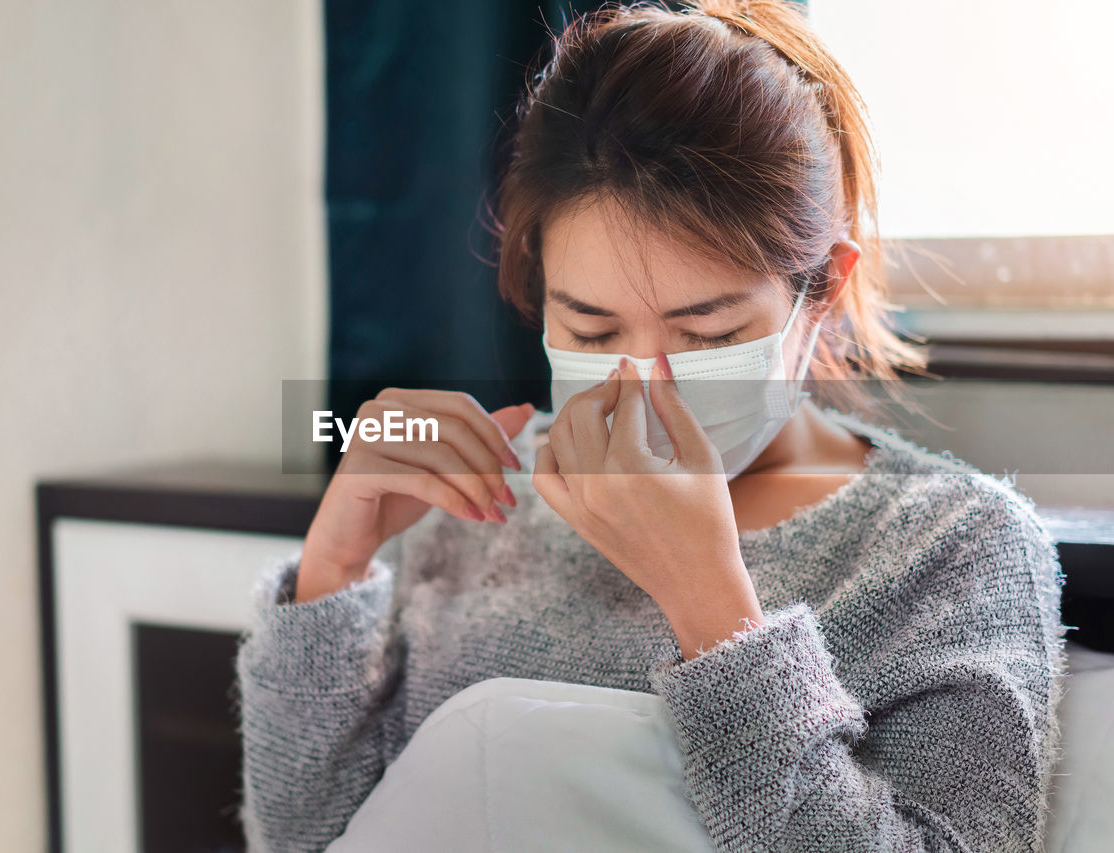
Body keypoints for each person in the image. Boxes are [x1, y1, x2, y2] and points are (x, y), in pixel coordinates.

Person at [234, 1, 1069, 850]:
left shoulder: (950, 543)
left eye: (707, 334)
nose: (640, 383)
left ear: (819, 292)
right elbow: (307, 837)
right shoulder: (475, 496)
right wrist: (332, 572)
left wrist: (711, 604)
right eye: (592, 331)